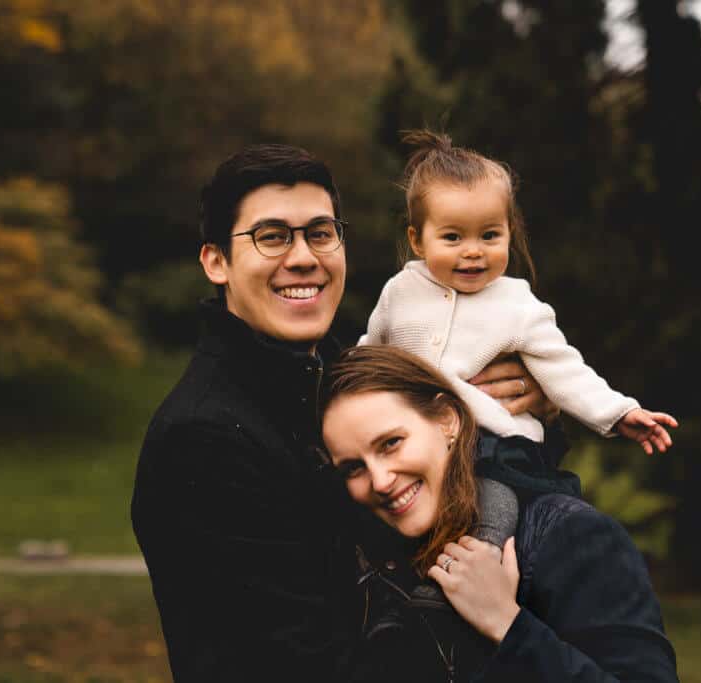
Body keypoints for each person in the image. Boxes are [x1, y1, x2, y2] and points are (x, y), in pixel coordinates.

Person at [130, 144, 556, 683]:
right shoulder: (203, 436)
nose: (305, 256)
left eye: (321, 232)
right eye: (272, 236)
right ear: (217, 261)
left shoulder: (348, 377)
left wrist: (528, 406)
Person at [321, 345, 679, 682]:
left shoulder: (568, 536)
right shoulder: (374, 566)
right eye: (354, 468)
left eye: (391, 444)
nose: (380, 481)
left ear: (448, 420)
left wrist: (507, 624)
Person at [359, 131, 677, 465]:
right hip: (414, 444)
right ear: (418, 240)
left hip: (497, 448)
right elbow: (369, 357)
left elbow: (564, 368)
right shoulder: (399, 291)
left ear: (509, 232)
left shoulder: (519, 305)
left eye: (490, 235)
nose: (473, 251)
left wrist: (620, 413)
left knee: (498, 508)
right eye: (452, 237)